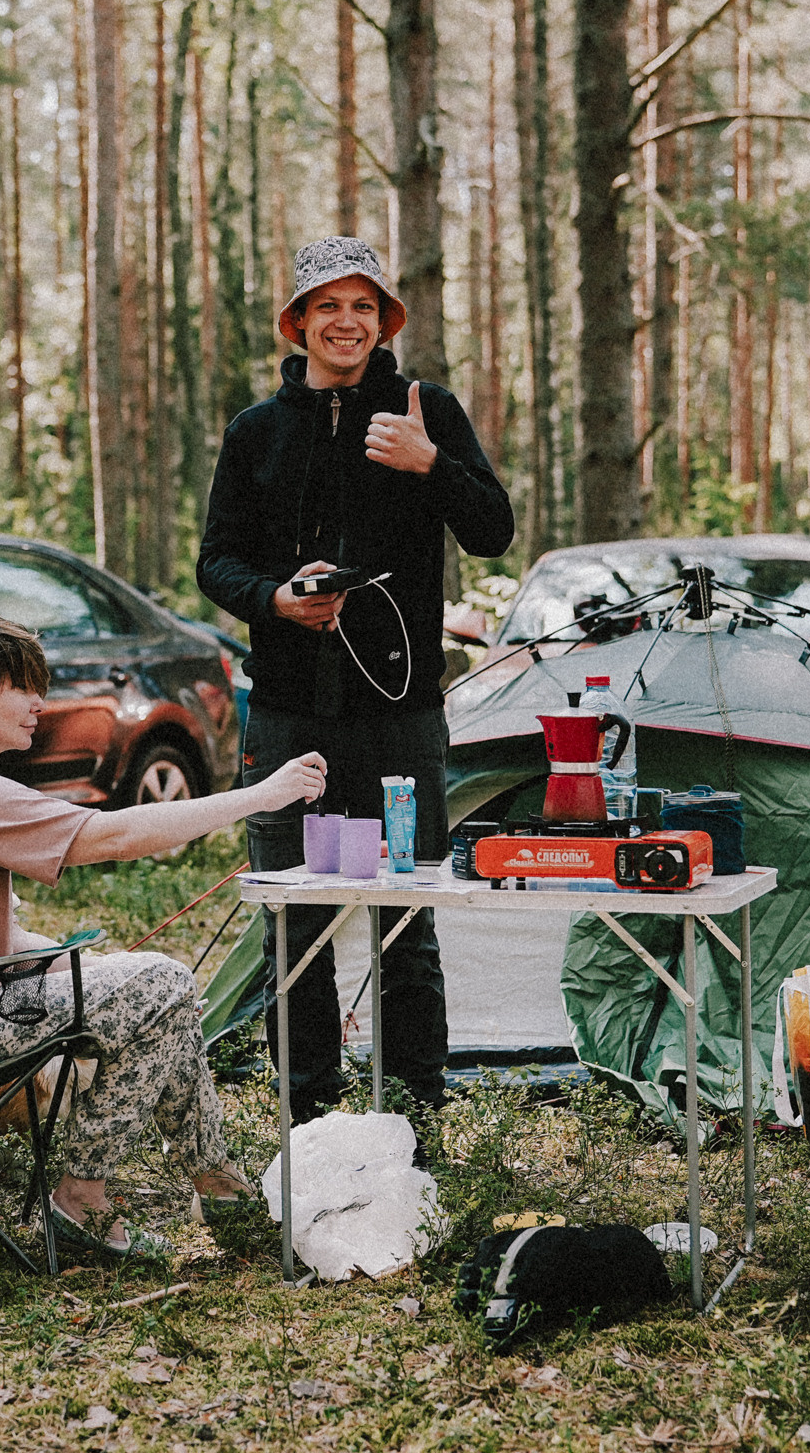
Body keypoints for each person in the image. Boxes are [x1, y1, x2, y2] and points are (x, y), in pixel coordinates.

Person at [0, 608, 328, 1259]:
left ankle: (218, 1185)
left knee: (156, 988)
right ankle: (85, 1198)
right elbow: (113, 835)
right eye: (22, 686)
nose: (40, 701)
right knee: (163, 982)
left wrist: (86, 966)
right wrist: (259, 796)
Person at [196, 236, 515, 1119]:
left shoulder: (426, 410)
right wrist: (275, 598)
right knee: (294, 926)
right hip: (291, 717)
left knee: (406, 923)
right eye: (327, 307)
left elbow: (493, 531)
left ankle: (415, 1114)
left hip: (400, 719)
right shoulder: (257, 431)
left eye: (363, 307)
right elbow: (214, 563)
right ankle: (308, 1120)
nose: (346, 322)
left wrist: (430, 464)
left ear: (385, 322)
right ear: (297, 323)